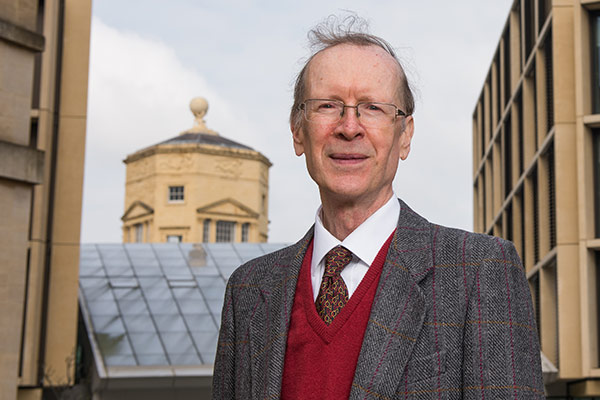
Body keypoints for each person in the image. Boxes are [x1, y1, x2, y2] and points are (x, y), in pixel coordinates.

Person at [213, 16, 544, 400]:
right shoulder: (249, 290)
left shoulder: (479, 271)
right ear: (297, 131)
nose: (349, 127)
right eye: (327, 105)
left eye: (372, 107)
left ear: (405, 136)